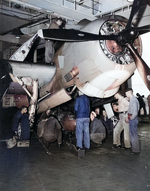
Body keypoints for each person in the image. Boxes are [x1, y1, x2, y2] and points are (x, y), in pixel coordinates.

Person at [125, 88, 140, 154]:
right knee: (132, 134)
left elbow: (135, 112)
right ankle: (134, 148)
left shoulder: (133, 100)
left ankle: (136, 150)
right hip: (132, 118)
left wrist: (131, 118)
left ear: (128, 93)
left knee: (133, 135)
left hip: (133, 119)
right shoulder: (132, 100)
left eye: (126, 93)